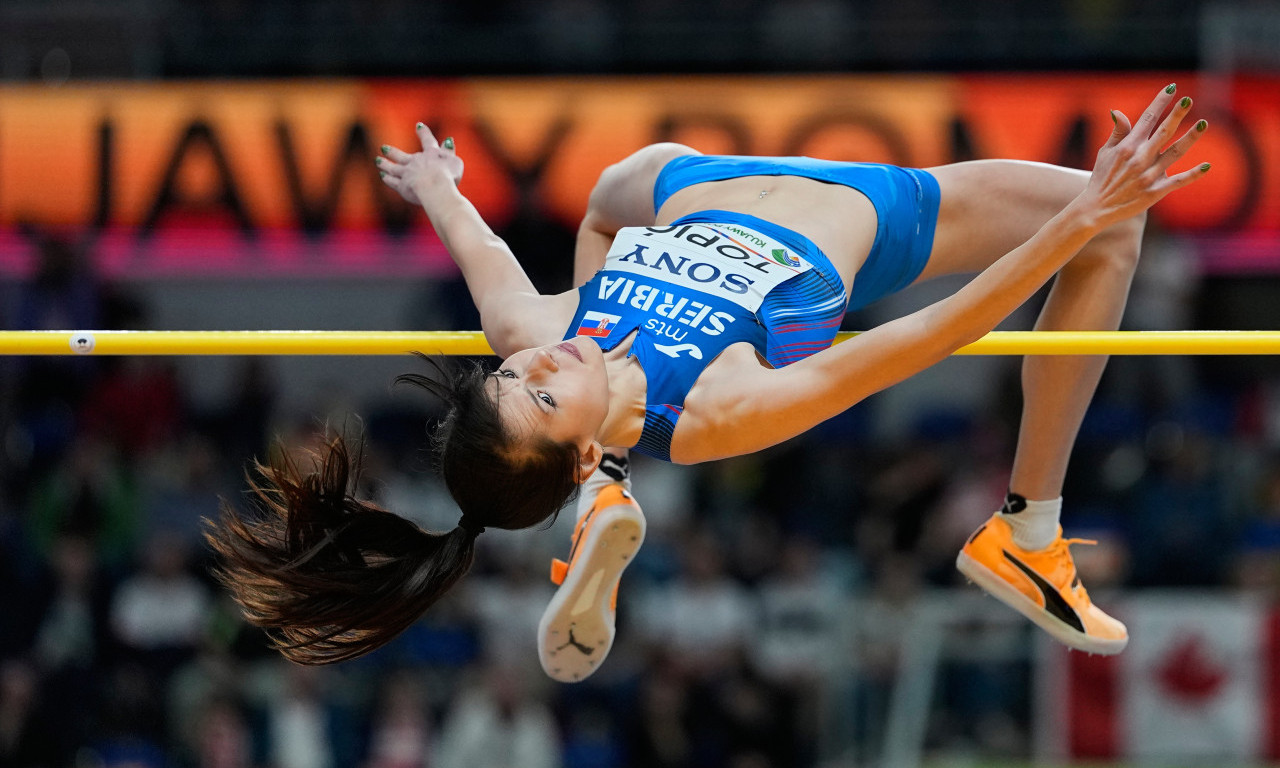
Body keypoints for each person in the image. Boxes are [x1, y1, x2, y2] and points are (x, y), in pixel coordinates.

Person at [205, 85, 1209, 681]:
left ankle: (602, 496)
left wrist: (435, 186)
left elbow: (485, 251)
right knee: (1114, 222)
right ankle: (1025, 532)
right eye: (545, 396)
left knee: (612, 190)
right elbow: (932, 334)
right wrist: (1073, 222)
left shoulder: (547, 330)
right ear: (582, 441)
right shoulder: (723, 406)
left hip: (700, 184)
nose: (543, 363)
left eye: (517, 375)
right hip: (878, 216)